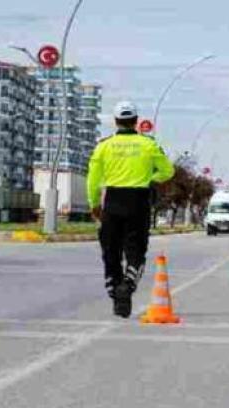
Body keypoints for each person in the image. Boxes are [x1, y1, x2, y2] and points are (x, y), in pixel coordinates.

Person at [86, 101, 175, 318]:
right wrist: (149, 178)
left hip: (113, 200)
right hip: (138, 201)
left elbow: (93, 180)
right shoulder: (148, 145)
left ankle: (115, 292)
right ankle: (127, 284)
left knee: (110, 249)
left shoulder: (104, 146)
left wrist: (94, 204)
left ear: (116, 121)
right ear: (135, 121)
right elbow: (167, 171)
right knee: (136, 250)